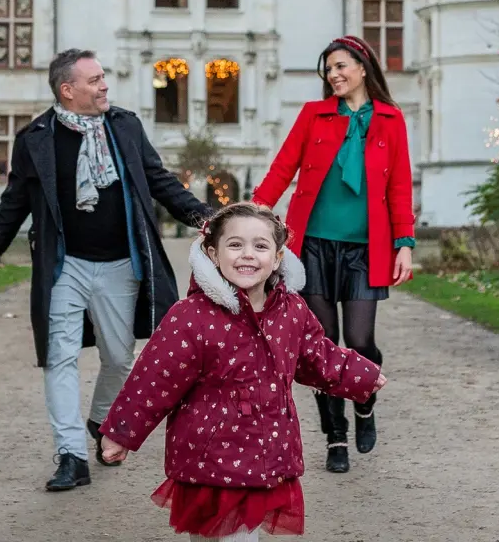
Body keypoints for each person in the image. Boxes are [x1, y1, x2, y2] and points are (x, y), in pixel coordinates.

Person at [0, 48, 213, 492]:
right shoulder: (35, 140)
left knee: (119, 358)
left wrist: (204, 219)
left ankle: (101, 420)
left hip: (121, 265)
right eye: (95, 79)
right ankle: (70, 455)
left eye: (103, 78)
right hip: (66, 268)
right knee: (58, 357)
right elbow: (13, 206)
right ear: (68, 90)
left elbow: (159, 181)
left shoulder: (125, 127)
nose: (104, 86)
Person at [98, 203, 384, 541]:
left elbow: (317, 356)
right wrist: (121, 432)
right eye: (235, 244)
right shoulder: (191, 317)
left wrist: (361, 374)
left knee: (241, 535)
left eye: (260, 246)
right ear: (212, 253)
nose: (247, 255)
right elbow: (153, 379)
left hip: (266, 452)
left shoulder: (290, 312)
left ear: (278, 258)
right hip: (212, 457)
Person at [250, 34, 414, 474]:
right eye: (329, 69)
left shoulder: (391, 120)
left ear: (363, 68)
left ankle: (364, 401)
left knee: (360, 343)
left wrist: (405, 244)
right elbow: (283, 168)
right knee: (322, 347)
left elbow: (399, 185)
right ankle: (335, 437)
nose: (334, 75)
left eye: (341, 66)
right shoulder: (314, 115)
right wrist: (252, 212)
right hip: (314, 247)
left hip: (366, 249)